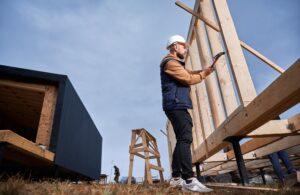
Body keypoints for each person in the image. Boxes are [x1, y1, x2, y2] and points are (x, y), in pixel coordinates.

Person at [160, 35, 215, 193]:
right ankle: (189, 179)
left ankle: (176, 178)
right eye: (184, 46)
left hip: (176, 104)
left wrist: (204, 71)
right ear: (175, 46)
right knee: (185, 138)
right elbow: (187, 78)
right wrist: (204, 74)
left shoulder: (173, 63)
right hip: (176, 104)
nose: (185, 49)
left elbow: (188, 72)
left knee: (181, 139)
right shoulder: (169, 62)